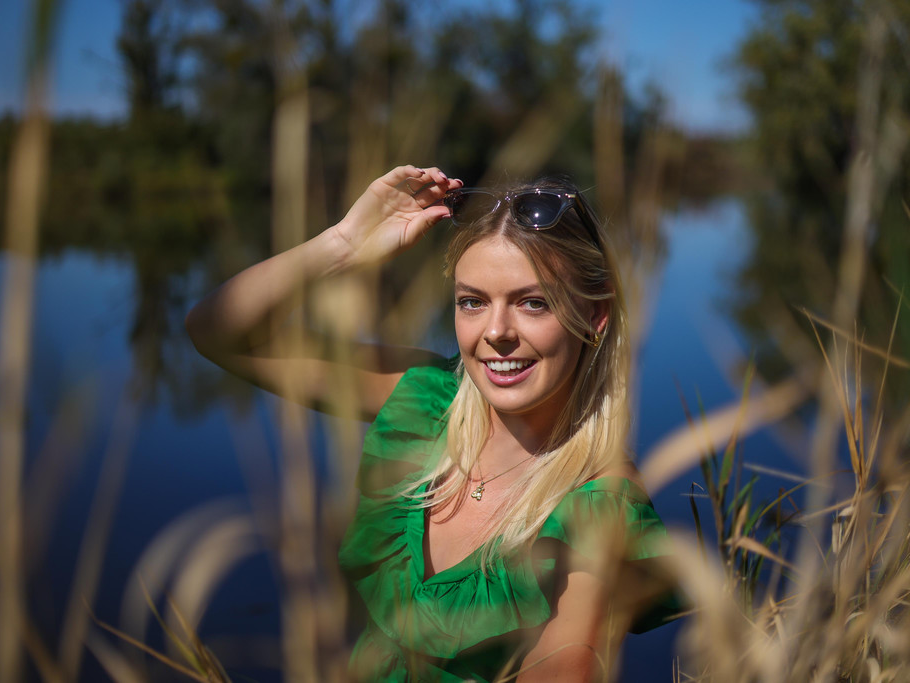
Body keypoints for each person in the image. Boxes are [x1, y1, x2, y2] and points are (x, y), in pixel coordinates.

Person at [186, 166, 677, 682]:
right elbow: (217, 332)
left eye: (533, 303)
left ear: (595, 316)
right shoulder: (426, 400)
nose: (496, 332)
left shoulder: (600, 501)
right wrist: (342, 245)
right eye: (472, 302)